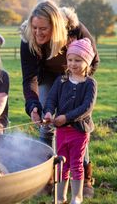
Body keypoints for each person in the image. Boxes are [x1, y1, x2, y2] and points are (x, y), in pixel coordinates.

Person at [19, 0, 99, 197]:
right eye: (34, 27)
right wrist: (33, 105)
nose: (38, 33)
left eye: (43, 28)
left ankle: (84, 176)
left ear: (55, 26)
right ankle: (47, 176)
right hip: (47, 77)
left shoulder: (74, 30)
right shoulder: (28, 39)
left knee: (76, 125)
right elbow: (30, 78)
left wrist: (74, 82)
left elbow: (94, 60)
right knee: (46, 124)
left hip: (76, 76)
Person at [43, 38, 97, 204]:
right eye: (70, 59)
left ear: (87, 62)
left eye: (78, 60)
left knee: (76, 163)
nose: (73, 64)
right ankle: (60, 198)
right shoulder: (61, 81)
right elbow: (51, 99)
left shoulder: (90, 84)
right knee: (61, 163)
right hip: (61, 131)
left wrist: (66, 117)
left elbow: (86, 107)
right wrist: (49, 113)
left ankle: (77, 197)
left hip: (79, 131)